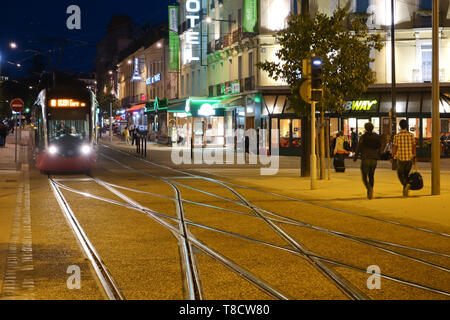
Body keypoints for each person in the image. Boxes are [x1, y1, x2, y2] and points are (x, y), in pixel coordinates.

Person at [353, 123, 382, 199]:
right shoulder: (376, 137)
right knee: (371, 176)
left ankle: (369, 188)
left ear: (365, 128)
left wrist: (356, 156)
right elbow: (379, 147)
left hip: (366, 158)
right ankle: (371, 190)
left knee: (364, 177)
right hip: (374, 159)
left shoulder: (363, 137)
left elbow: (359, 147)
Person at [391, 119, 416, 197]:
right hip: (409, 158)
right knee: (406, 175)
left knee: (399, 174)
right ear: (406, 126)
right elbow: (413, 147)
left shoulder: (397, 136)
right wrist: (414, 156)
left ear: (400, 126)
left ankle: (406, 185)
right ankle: (405, 191)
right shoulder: (411, 135)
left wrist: (392, 156)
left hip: (401, 158)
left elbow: (395, 147)